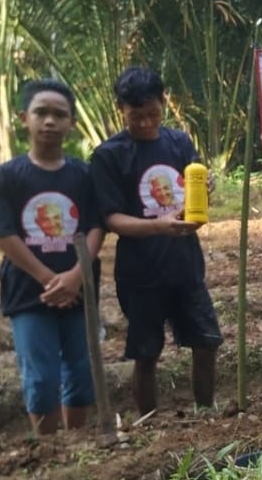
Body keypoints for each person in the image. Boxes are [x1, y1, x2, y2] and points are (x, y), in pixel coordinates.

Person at [90, 67, 223, 416]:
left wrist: (204, 189)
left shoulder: (178, 142)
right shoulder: (109, 155)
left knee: (206, 341)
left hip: (184, 263)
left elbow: (192, 192)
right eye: (137, 117)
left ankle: (205, 412)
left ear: (163, 104)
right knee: (146, 351)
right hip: (141, 272)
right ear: (120, 108)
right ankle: (149, 421)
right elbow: (112, 219)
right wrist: (159, 226)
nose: (147, 123)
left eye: (153, 114)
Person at [0, 79, 104, 435]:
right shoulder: (7, 177)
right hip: (29, 293)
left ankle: (75, 443)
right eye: (41, 113)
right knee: (40, 377)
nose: (50, 121)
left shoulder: (84, 175)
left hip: (80, 291)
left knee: (82, 372)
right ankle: (48, 448)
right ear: (24, 118)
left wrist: (74, 276)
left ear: (72, 123)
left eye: (59, 115)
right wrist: (48, 279)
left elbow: (96, 226)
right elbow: (3, 233)